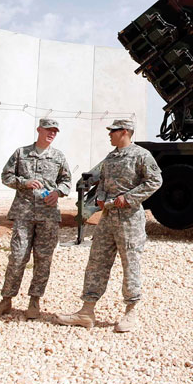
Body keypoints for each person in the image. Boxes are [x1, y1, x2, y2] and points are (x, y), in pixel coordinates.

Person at [58, 118, 162, 333]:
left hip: (129, 218)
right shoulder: (112, 156)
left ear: (124, 132)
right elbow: (103, 181)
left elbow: (155, 181)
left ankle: (131, 312)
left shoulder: (141, 155)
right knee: (97, 261)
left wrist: (129, 198)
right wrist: (101, 197)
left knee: (130, 263)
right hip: (107, 218)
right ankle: (86, 311)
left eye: (113, 131)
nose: (109, 134)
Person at [0, 118, 73, 320]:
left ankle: (34, 300)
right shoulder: (21, 153)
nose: (52, 134)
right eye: (48, 130)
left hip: (48, 216)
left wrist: (58, 193)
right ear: (39, 130)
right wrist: (24, 182)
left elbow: (67, 181)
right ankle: (6, 300)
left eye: (55, 131)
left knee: (43, 260)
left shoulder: (58, 157)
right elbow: (6, 176)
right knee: (17, 257)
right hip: (23, 214)